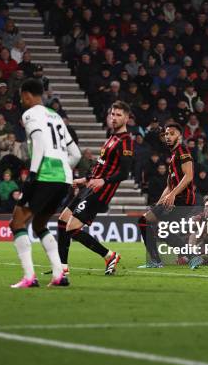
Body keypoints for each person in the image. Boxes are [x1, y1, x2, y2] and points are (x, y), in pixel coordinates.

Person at [9, 79, 81, 288]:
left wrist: (33, 174)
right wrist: (63, 169)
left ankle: (29, 277)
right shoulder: (56, 116)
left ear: (28, 95)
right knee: (40, 224)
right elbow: (75, 153)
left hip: (44, 175)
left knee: (17, 223)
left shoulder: (30, 114)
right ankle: (59, 275)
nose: (22, 100)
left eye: (22, 96)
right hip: (63, 178)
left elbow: (39, 141)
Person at [57, 101, 133, 276]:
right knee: (62, 220)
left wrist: (104, 181)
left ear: (127, 118)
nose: (114, 118)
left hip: (100, 193)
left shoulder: (126, 142)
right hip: (89, 188)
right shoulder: (112, 138)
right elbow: (101, 167)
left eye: (119, 115)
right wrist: (84, 179)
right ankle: (62, 268)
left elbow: (124, 173)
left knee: (72, 228)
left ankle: (109, 255)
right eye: (112, 114)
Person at [138, 123, 195, 268]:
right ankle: (191, 256)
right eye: (166, 134)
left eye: (171, 133)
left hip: (183, 199)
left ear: (180, 136)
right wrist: (159, 203)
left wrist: (173, 195)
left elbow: (189, 176)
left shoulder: (183, 150)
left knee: (143, 221)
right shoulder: (174, 155)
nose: (168, 136)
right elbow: (169, 185)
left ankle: (157, 261)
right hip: (176, 198)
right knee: (158, 229)